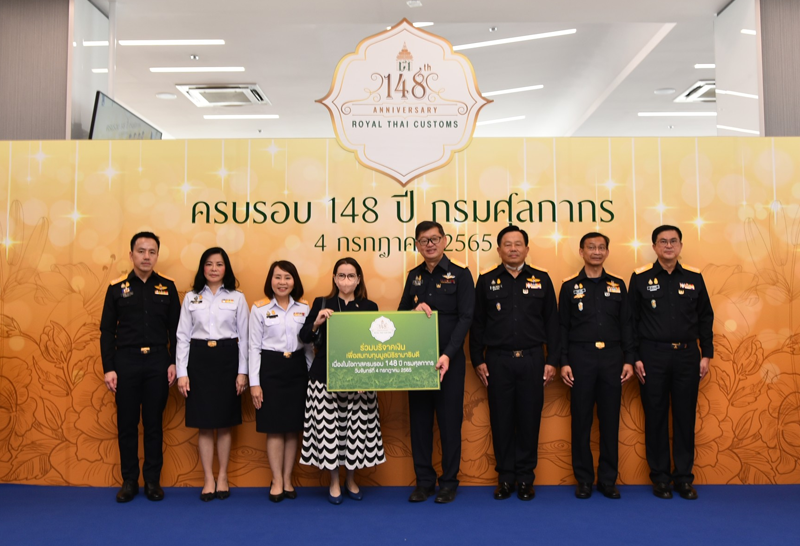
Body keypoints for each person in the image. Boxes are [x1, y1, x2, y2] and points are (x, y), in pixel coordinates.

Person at [469, 225, 558, 501]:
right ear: (499, 250)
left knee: (529, 420)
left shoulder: (542, 279)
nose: (513, 248)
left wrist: (552, 360)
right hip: (498, 361)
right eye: (507, 244)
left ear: (527, 249)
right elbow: (477, 323)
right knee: (502, 420)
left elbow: (552, 323)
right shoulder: (486, 280)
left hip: (532, 359)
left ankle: (525, 479)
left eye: (518, 244)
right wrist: (477, 359)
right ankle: (506, 479)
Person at [629, 225, 713, 500]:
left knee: (685, 418)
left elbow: (705, 317)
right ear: (654, 247)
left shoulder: (694, 277)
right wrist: (635, 357)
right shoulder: (640, 278)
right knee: (655, 418)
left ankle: (684, 479)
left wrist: (706, 354)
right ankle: (661, 479)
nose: (668, 246)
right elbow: (630, 321)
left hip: (687, 355)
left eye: (673, 241)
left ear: (680, 245)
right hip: (652, 356)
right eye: (663, 241)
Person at [398, 220, 474, 504]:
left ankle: (449, 482)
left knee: (450, 423)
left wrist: (448, 354)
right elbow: (400, 315)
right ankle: (424, 482)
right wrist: (413, 310)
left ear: (444, 241)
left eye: (434, 239)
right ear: (417, 245)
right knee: (419, 423)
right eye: (423, 240)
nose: (429, 244)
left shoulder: (461, 274)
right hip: (417, 362)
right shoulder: (414, 276)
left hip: (449, 362)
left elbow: (466, 317)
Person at [100, 232, 180, 503]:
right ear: (131, 254)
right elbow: (107, 331)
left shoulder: (168, 287)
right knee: (127, 424)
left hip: (158, 362)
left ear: (157, 255)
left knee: (154, 423)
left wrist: (174, 362)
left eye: (152, 251)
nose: (147, 256)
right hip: (126, 362)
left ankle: (152, 481)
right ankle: (130, 481)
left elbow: (177, 330)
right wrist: (109, 368)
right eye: (141, 251)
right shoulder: (116, 288)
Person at [299, 257, 386, 504]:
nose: (346, 280)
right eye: (341, 275)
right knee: (330, 432)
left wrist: (367, 377)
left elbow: (376, 345)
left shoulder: (369, 307)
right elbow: (304, 336)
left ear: (358, 280)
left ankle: (351, 479)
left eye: (350, 276)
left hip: (359, 380)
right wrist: (317, 322)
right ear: (335, 279)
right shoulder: (322, 303)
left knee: (355, 433)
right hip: (325, 378)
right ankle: (334, 481)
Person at [558, 233, 635, 499]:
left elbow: (627, 324)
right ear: (581, 252)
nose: (596, 251)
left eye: (601, 247)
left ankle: (608, 480)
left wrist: (629, 359)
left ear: (607, 252)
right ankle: (583, 480)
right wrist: (564, 362)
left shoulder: (618, 285)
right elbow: (562, 327)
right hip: (580, 358)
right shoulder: (569, 286)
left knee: (610, 420)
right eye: (591, 247)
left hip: (612, 358)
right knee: (581, 420)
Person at [175, 247, 249, 501]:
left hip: (228, 359)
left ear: (226, 268)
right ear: (202, 268)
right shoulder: (191, 297)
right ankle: (208, 478)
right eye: (209, 264)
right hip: (199, 361)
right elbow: (182, 337)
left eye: (219, 264)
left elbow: (245, 338)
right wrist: (182, 373)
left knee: (225, 423)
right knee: (204, 424)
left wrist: (242, 372)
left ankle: (223, 476)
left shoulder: (237, 298)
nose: (214, 269)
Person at [249, 260, 313, 502]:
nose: (282, 282)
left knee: (293, 429)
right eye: (278, 277)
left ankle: (287, 479)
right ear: (270, 280)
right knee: (275, 429)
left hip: (297, 370)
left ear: (294, 281)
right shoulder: (259, 308)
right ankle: (276, 480)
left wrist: (311, 376)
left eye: (287, 277)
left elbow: (308, 347)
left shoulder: (304, 308)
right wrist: (255, 383)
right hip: (271, 370)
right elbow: (253, 347)